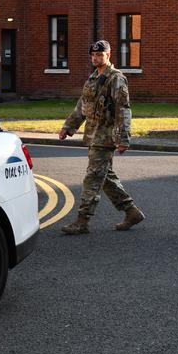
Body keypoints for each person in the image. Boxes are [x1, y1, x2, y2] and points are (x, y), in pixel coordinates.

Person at [57, 39, 145, 234]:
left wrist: (123, 138)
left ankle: (82, 221)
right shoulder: (93, 78)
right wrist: (69, 127)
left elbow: (123, 110)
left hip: (106, 136)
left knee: (92, 177)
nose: (96, 58)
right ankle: (131, 212)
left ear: (108, 55)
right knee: (105, 177)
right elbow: (82, 106)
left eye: (100, 55)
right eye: (93, 55)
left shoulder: (116, 79)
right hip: (93, 134)